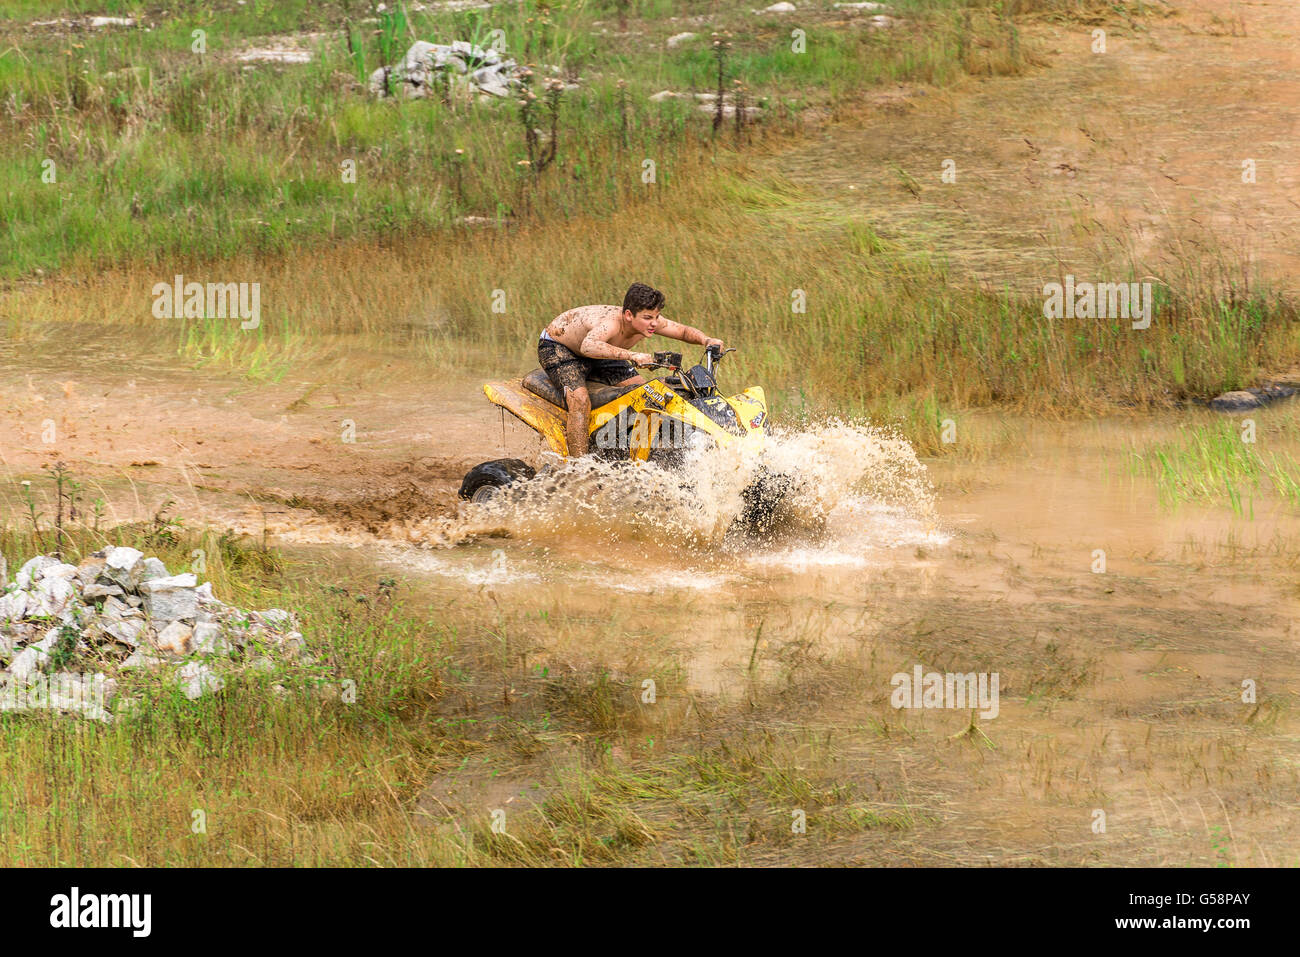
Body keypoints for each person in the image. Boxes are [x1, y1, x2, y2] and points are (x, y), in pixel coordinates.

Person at [538, 283, 725, 457]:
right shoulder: (610, 323)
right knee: (580, 400)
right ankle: (578, 465)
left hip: (604, 351)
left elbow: (683, 332)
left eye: (656, 317)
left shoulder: (650, 321)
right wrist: (633, 356)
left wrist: (706, 340)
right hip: (561, 348)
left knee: (647, 393)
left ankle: (629, 450)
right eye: (647, 318)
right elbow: (588, 346)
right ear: (629, 315)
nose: (654, 323)